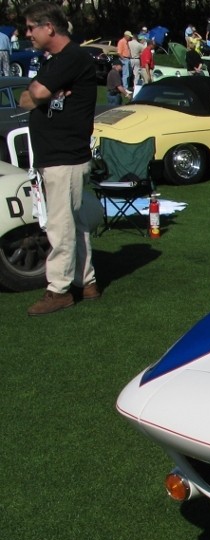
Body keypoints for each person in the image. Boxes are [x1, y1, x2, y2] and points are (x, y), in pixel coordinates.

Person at [19, 2, 99, 315]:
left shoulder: (73, 57)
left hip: (63, 155)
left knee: (60, 224)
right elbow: (28, 97)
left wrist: (43, 92)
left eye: (30, 28)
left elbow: (36, 94)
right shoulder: (57, 61)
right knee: (74, 223)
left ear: (48, 27)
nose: (27, 35)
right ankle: (86, 281)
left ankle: (59, 289)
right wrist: (42, 92)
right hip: (60, 155)